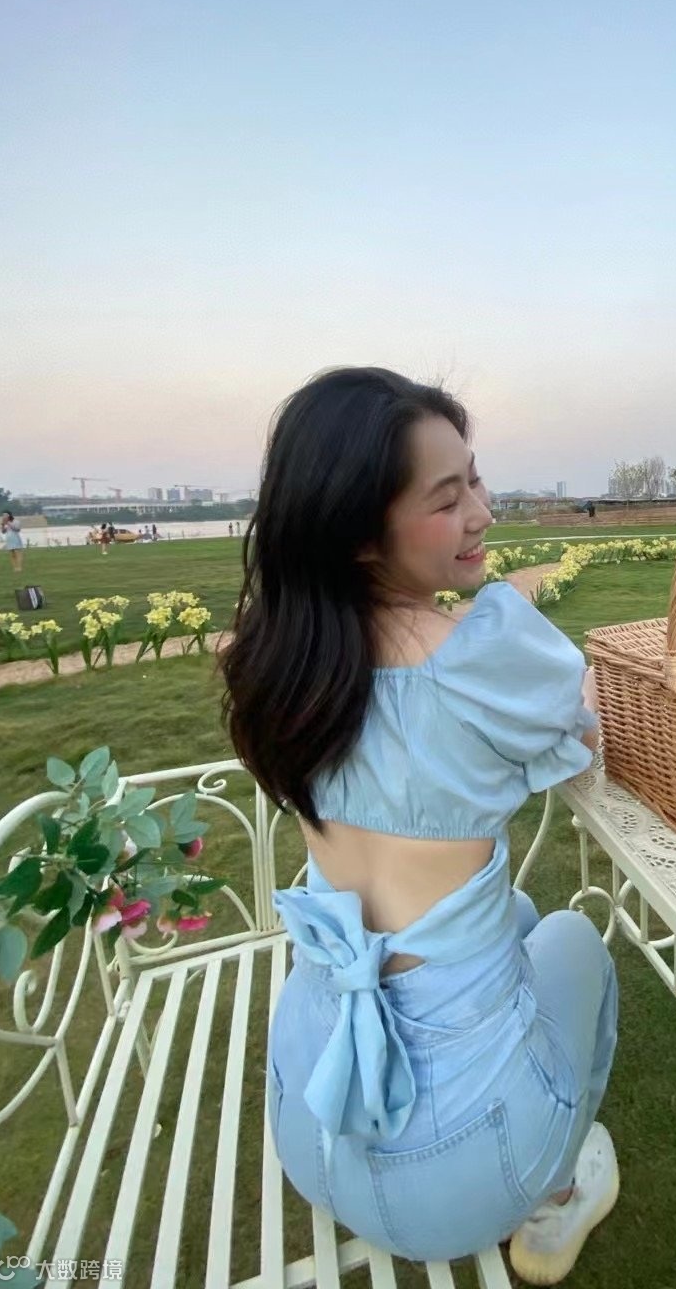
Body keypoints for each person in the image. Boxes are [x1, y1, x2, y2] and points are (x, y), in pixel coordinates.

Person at [221, 368, 619, 1281]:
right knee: (571, 940)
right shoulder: (478, 652)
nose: (481, 512)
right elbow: (584, 746)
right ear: (360, 535)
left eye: (475, 480)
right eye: (447, 499)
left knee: (516, 923)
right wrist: (575, 683)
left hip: (311, 1124)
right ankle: (558, 1190)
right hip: (468, 1173)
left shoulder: (280, 663)